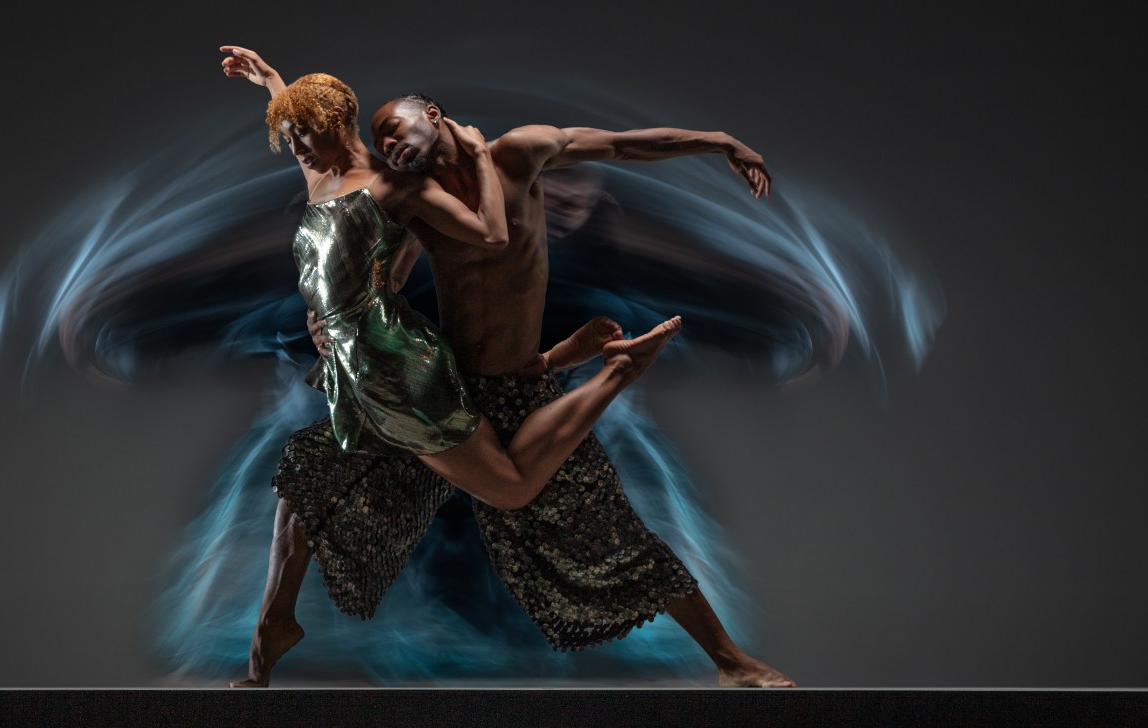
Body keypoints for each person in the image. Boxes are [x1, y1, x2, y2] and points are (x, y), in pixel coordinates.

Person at [220, 46, 793, 689]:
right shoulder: (411, 196)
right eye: (381, 140)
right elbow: (362, 245)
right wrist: (336, 318)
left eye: (398, 130)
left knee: (603, 532)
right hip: (436, 387)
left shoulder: (518, 154)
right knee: (311, 477)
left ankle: (730, 662)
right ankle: (269, 639)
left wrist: (717, 141)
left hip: (515, 388)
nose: (392, 146)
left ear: (432, 115)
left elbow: (621, 146)